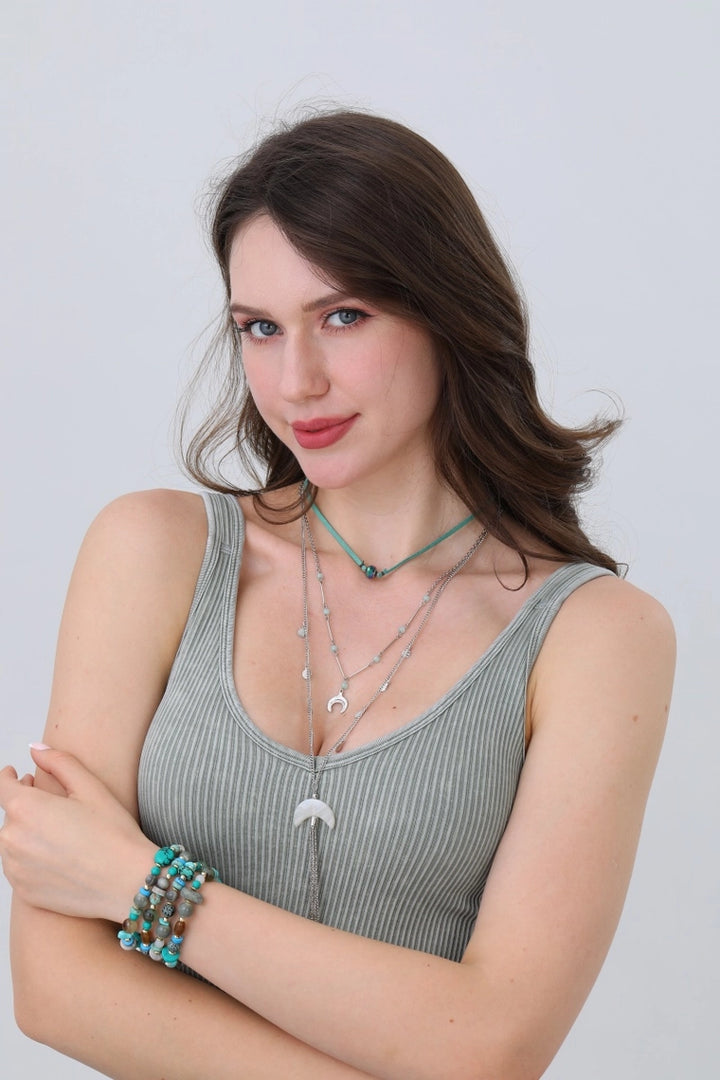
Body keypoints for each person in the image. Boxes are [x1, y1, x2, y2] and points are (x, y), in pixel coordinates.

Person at [0, 111, 674, 1079]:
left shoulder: (595, 636)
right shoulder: (153, 552)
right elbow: (56, 989)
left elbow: (494, 1043)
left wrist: (141, 885)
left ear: (447, 310)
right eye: (260, 329)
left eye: (344, 317)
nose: (296, 381)